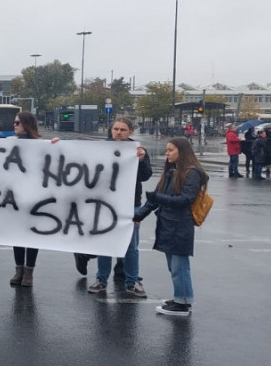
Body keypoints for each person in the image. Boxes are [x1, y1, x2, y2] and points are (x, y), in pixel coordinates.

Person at [134, 137, 207, 317]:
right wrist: (137, 215)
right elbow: (155, 199)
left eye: (170, 150)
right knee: (174, 266)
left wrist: (156, 200)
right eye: (167, 150)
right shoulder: (173, 171)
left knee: (179, 266)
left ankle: (183, 302)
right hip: (168, 224)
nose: (167, 153)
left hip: (180, 225)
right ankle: (180, 298)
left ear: (181, 152)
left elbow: (185, 200)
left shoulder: (192, 173)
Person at [87, 118, 152, 297]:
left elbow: (146, 176)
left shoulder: (138, 150)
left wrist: (142, 159)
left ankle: (132, 282)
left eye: (123, 130)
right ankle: (101, 279)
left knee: (131, 246)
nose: (118, 132)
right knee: (105, 244)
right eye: (115, 129)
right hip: (105, 203)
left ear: (130, 132)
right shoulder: (102, 149)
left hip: (130, 203)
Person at [8, 112, 43, 287]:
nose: (14, 125)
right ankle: (19, 270)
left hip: (35, 198)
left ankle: (29, 271)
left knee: (32, 236)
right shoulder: (10, 142)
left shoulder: (40, 145)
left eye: (17, 123)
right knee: (18, 236)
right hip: (15, 198)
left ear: (27, 125)